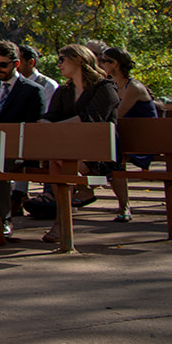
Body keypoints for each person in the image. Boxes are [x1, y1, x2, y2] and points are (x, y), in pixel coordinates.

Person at [38, 43, 122, 243]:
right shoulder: (64, 91)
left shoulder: (105, 87)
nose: (58, 65)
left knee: (58, 160)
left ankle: (62, 220)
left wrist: (55, 126)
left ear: (78, 59)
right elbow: (52, 115)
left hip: (100, 153)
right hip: (70, 150)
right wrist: (44, 123)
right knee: (56, 160)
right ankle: (64, 216)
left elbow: (91, 118)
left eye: (62, 60)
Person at [0, 40, 49, 236]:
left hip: (19, 151)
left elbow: (34, 129)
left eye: (2, 64)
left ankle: (2, 218)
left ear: (16, 64)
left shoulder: (32, 91)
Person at [102, 45, 158, 222]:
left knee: (109, 157)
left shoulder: (133, 87)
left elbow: (116, 115)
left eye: (104, 61)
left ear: (115, 63)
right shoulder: (112, 85)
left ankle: (123, 206)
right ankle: (84, 192)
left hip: (143, 140)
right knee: (103, 155)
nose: (101, 64)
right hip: (124, 137)